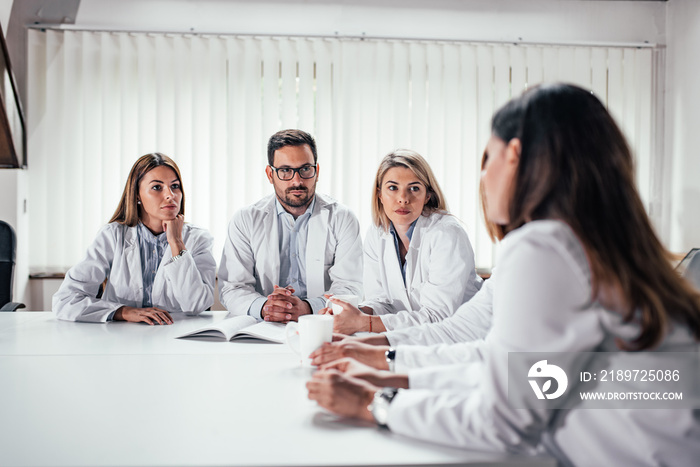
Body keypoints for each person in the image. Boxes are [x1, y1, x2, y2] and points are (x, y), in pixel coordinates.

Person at [307, 84, 700, 465]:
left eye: (486, 158)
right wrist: (387, 365)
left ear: (513, 155)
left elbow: (504, 421)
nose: (483, 177)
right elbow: (495, 357)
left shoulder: (544, 247)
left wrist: (371, 404)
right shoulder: (593, 240)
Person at [323, 149, 482, 335]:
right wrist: (355, 313)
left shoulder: (446, 234)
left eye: (414, 188)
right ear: (380, 195)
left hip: (467, 337)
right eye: (393, 188)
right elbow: (383, 302)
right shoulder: (377, 233)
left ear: (427, 195)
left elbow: (438, 317)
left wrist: (364, 323)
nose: (403, 199)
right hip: (418, 339)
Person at [218, 129, 363, 323]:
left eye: (305, 169)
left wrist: (308, 307)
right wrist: (265, 307)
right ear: (270, 174)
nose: (297, 181)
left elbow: (350, 287)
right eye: (285, 170)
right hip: (261, 325)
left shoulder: (342, 218)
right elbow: (233, 287)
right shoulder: (245, 220)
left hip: (323, 323)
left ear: (317, 171)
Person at [53, 153, 216, 324]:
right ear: (137, 194)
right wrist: (123, 312)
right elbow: (65, 300)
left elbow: (197, 304)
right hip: (120, 337)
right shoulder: (113, 235)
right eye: (157, 187)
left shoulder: (198, 238)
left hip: (176, 336)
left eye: (174, 186)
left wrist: (176, 242)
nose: (170, 195)